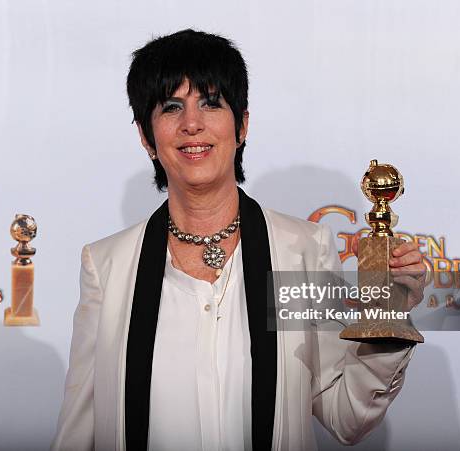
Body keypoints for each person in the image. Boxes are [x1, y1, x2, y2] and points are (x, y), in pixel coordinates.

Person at [51, 29, 426, 451]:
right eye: (172, 107)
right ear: (146, 136)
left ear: (242, 123)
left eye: (211, 103)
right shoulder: (107, 266)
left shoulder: (299, 250)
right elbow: (77, 431)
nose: (192, 123)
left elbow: (345, 415)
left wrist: (388, 316)